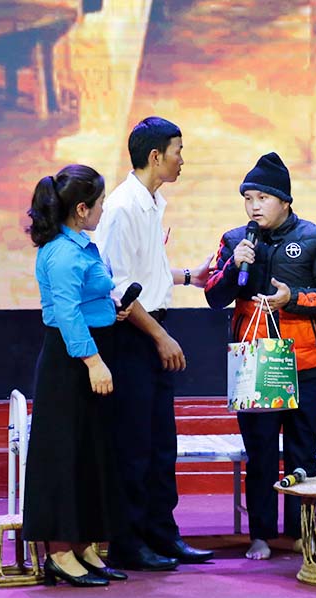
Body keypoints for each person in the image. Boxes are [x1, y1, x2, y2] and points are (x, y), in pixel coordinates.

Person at [205, 152, 316, 560]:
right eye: (247, 198)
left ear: (284, 199)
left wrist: (295, 299)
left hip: (307, 362)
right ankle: (261, 535)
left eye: (262, 198)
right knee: (262, 453)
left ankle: (302, 532)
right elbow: (215, 295)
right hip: (256, 362)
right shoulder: (235, 240)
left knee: (303, 452)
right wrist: (235, 269)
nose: (254, 206)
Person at [95, 116, 214, 571]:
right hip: (131, 337)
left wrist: (189, 277)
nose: (183, 159)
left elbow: (147, 272)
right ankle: (129, 542)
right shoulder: (123, 207)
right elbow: (120, 287)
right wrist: (161, 336)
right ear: (155, 156)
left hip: (151, 329)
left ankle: (164, 535)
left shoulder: (152, 201)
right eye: (178, 151)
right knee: (134, 445)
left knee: (162, 444)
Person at [23, 164, 130, 587]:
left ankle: (86, 544)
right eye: (101, 203)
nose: (104, 209)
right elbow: (66, 314)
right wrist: (92, 361)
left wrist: (111, 311)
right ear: (82, 209)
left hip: (93, 350)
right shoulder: (63, 253)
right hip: (70, 363)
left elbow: (92, 297)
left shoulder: (83, 245)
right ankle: (61, 552)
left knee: (91, 452)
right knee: (64, 455)